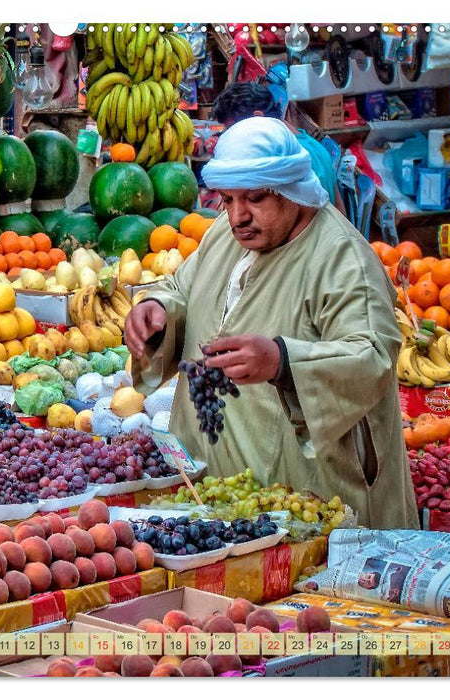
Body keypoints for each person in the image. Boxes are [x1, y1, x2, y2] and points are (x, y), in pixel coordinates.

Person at [126, 117, 418, 530]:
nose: (238, 216)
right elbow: (182, 288)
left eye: (256, 198)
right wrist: (156, 309)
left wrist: (283, 361)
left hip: (308, 500)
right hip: (218, 492)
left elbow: (372, 357)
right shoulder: (224, 237)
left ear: (291, 191)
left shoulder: (341, 258)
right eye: (227, 200)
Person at [212, 81, 344, 214]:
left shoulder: (279, 158)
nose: (229, 138)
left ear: (258, 118)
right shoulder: (315, 146)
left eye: (231, 129)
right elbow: (340, 213)